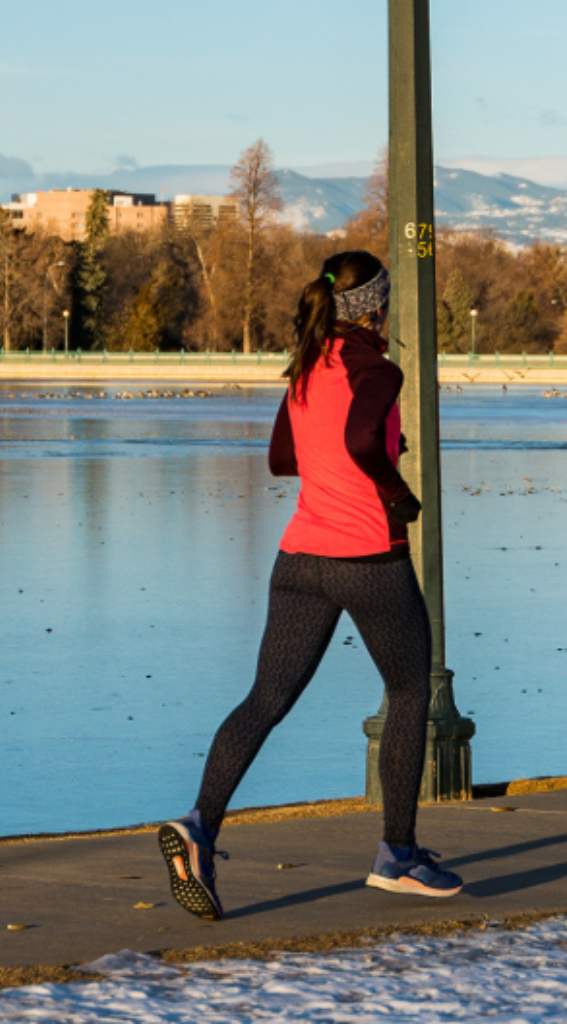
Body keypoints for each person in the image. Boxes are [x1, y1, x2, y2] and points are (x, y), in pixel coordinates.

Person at [158, 250, 463, 921]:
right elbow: (360, 438)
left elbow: (282, 457)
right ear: (376, 307)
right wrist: (394, 489)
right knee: (410, 691)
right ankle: (398, 855)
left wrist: (347, 461)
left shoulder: (306, 367)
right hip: (368, 557)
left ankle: (199, 827)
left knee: (265, 699)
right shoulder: (377, 369)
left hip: (299, 557)